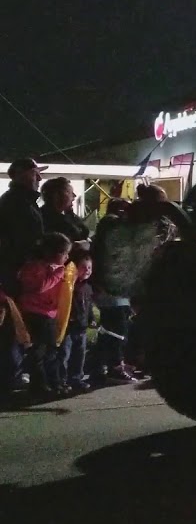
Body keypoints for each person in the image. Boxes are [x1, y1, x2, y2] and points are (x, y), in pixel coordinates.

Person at [91, 184, 183, 383]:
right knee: (117, 327)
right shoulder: (123, 223)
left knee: (130, 326)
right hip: (122, 284)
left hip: (138, 285)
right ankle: (111, 366)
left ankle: (131, 362)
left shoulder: (157, 223)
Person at [0, 157, 46, 394]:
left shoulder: (26, 202)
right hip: (15, 274)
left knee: (21, 324)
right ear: (18, 174)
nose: (39, 178)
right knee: (13, 325)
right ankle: (11, 376)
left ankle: (16, 373)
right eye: (34, 173)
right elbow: (15, 242)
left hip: (24, 273)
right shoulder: (13, 203)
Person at [17, 232, 73, 397]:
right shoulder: (35, 267)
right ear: (54, 253)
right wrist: (57, 274)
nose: (67, 257)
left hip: (49, 314)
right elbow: (40, 286)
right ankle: (40, 385)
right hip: (35, 313)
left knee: (51, 351)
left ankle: (54, 383)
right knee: (41, 352)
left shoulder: (56, 269)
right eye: (64, 253)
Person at [59, 245, 94, 392]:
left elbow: (89, 306)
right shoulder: (69, 287)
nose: (87, 271)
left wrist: (91, 318)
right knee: (65, 354)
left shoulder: (87, 288)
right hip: (69, 327)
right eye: (84, 267)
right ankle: (62, 380)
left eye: (90, 268)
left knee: (79, 355)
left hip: (82, 327)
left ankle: (76, 378)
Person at [40, 176, 90, 245]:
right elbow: (80, 234)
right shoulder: (52, 220)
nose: (74, 196)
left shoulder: (45, 214)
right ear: (57, 195)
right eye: (70, 192)